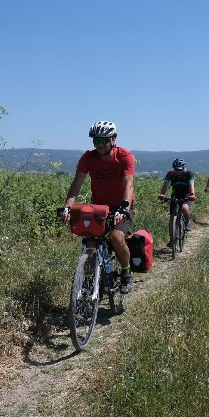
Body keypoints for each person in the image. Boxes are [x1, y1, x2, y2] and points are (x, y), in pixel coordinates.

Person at [61, 121, 135, 294]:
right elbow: (76, 184)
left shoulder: (124, 156)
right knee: (90, 243)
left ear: (113, 139)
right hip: (99, 206)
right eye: (96, 141)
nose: (99, 144)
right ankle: (89, 280)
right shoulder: (88, 158)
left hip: (122, 205)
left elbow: (129, 184)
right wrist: (67, 207)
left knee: (116, 237)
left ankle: (126, 273)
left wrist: (123, 208)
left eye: (103, 140)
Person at [158, 158, 197, 245]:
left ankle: (187, 221)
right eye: (176, 169)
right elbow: (166, 184)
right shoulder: (170, 174)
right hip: (175, 194)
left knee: (184, 207)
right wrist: (162, 194)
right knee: (172, 218)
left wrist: (192, 194)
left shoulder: (188, 173)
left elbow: (191, 185)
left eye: (180, 169)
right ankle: (172, 239)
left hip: (186, 195)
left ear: (183, 168)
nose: (178, 171)